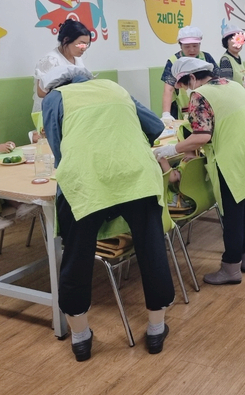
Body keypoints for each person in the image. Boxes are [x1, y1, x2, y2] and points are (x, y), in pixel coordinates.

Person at [41, 65, 175, 362]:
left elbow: (58, 148)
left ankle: (80, 338)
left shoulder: (54, 98)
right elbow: (155, 126)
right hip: (137, 176)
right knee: (152, 250)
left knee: (76, 257)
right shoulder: (114, 87)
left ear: (54, 85)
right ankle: (156, 330)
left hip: (86, 182)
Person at [154, 58, 245, 285]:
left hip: (231, 160)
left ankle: (231, 268)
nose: (185, 90)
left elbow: (202, 136)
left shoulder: (200, 95)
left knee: (233, 216)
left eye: (184, 84)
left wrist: (172, 149)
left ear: (191, 77)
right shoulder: (234, 86)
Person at [32, 19, 90, 123]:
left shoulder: (78, 60)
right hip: (51, 112)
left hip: (70, 111)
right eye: (81, 44)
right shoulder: (51, 60)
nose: (84, 48)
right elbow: (41, 92)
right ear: (66, 40)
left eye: (87, 45)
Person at [160, 25, 218, 122]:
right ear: (180, 45)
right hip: (181, 106)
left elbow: (216, 80)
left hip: (205, 103)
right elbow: (168, 89)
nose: (192, 50)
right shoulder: (174, 61)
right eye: (187, 46)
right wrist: (166, 114)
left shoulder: (206, 57)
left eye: (195, 46)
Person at [218, 23, 245, 96]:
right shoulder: (226, 60)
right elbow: (227, 86)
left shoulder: (238, 57)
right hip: (236, 99)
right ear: (226, 42)